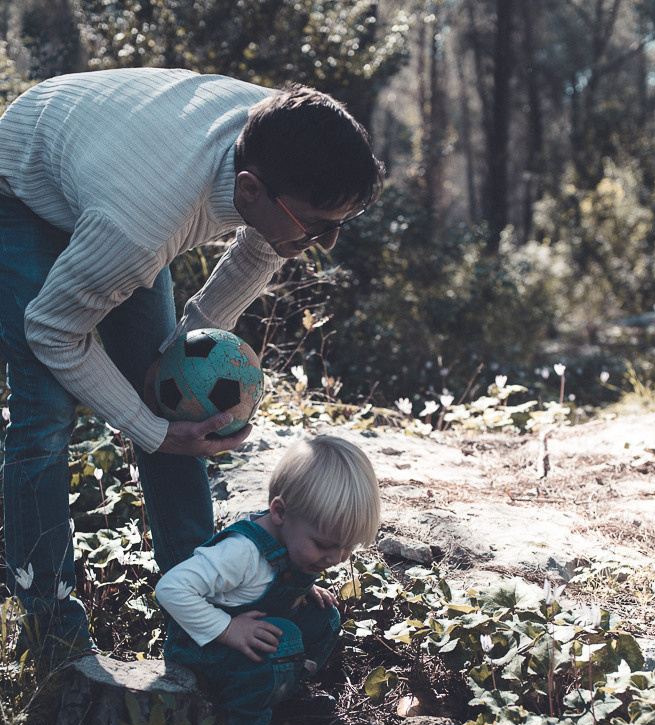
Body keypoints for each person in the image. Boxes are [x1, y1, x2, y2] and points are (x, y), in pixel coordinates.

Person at [0, 67, 384, 666]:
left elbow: (260, 248)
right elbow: (51, 330)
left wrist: (178, 364)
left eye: (339, 224)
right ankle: (53, 628)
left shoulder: (286, 134)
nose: (328, 241)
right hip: (23, 185)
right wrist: (151, 430)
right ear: (249, 189)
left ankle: (204, 601)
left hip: (113, 168)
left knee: (181, 398)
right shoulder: (141, 226)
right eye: (317, 224)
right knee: (46, 412)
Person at [155, 435, 380, 725]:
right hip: (205, 653)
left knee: (324, 617)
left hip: (250, 647)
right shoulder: (241, 553)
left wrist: (303, 586)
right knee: (282, 638)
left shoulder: (292, 534)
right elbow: (171, 588)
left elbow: (270, 581)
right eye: (323, 545)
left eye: (347, 547)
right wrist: (227, 629)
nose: (336, 558)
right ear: (279, 512)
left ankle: (281, 695)